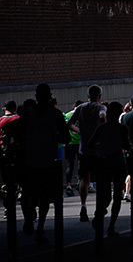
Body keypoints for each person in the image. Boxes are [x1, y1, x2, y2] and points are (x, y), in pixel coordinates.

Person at [16, 84, 70, 243]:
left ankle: (29, 218)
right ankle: (40, 228)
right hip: (49, 161)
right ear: (49, 96)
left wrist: (27, 143)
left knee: (27, 194)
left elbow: (17, 132)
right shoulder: (56, 114)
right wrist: (54, 139)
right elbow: (66, 137)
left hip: (31, 160)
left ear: (36, 96)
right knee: (45, 198)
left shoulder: (29, 114)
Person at [87, 101, 129, 237]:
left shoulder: (102, 128)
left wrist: (102, 147)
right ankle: (111, 226)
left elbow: (90, 143)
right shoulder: (122, 128)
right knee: (117, 195)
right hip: (118, 162)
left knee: (104, 194)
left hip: (104, 162)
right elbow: (127, 145)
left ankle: (100, 213)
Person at [68, 84, 107, 222]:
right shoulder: (101, 107)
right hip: (97, 149)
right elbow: (102, 118)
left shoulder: (80, 108)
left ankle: (83, 206)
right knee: (101, 179)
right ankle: (100, 207)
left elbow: (69, 124)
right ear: (99, 96)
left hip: (83, 149)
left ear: (88, 95)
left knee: (84, 178)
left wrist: (81, 132)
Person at [63, 100, 82, 196]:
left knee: (70, 164)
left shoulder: (67, 115)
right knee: (80, 163)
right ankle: (79, 181)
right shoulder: (82, 114)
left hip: (70, 143)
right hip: (80, 142)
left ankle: (69, 185)